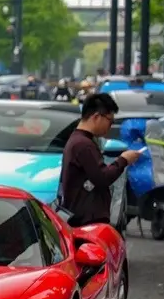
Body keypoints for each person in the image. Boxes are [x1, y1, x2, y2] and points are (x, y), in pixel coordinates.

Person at [59, 92, 143, 226]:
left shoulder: (79, 140)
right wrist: (123, 160)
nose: (110, 126)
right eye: (110, 121)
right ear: (97, 117)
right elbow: (102, 178)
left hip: (83, 218)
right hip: (86, 221)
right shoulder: (83, 144)